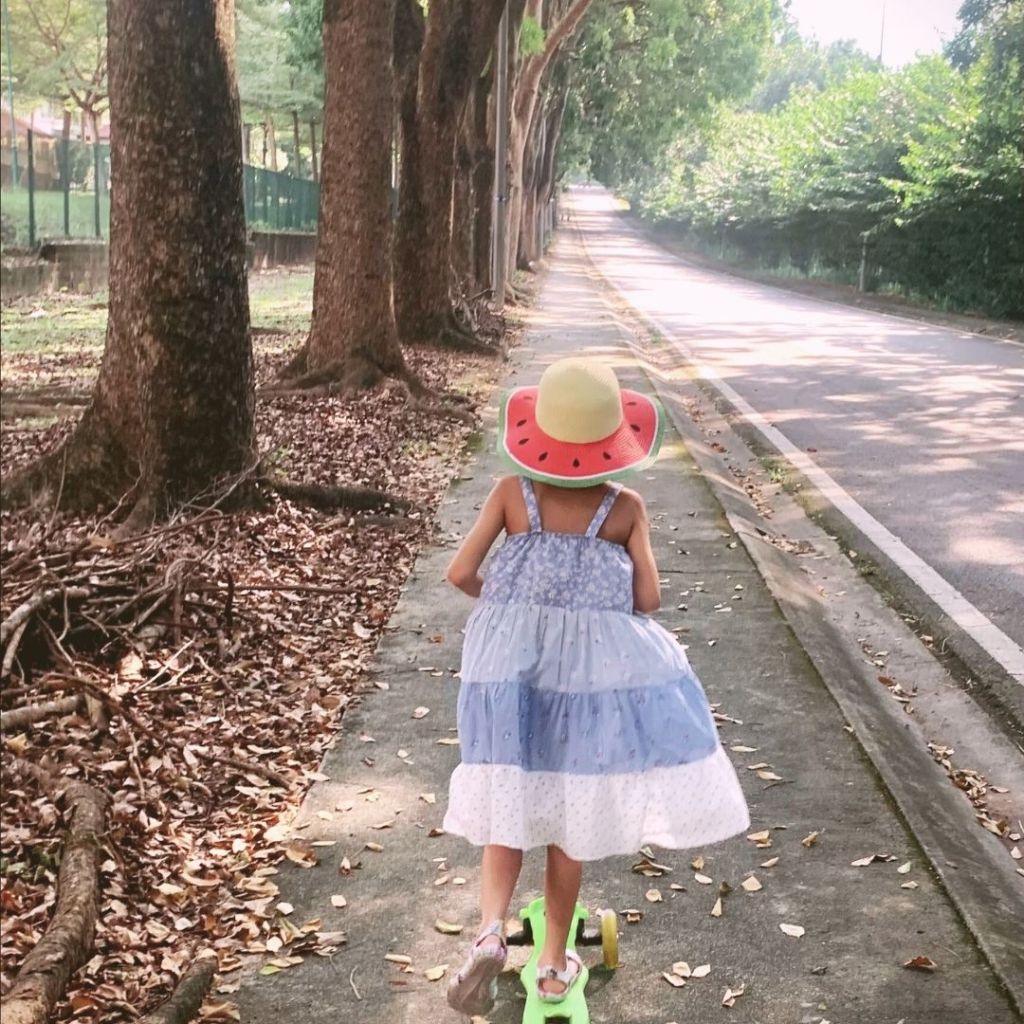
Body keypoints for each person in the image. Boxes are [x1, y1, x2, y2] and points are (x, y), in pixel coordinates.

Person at [442, 358, 750, 1016]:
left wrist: (505, 609)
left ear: (538, 432)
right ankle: (553, 964)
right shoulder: (625, 508)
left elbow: (460, 573)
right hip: (587, 691)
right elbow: (647, 599)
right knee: (568, 825)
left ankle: (491, 933)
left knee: (509, 802)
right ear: (615, 440)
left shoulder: (509, 495)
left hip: (512, 680)